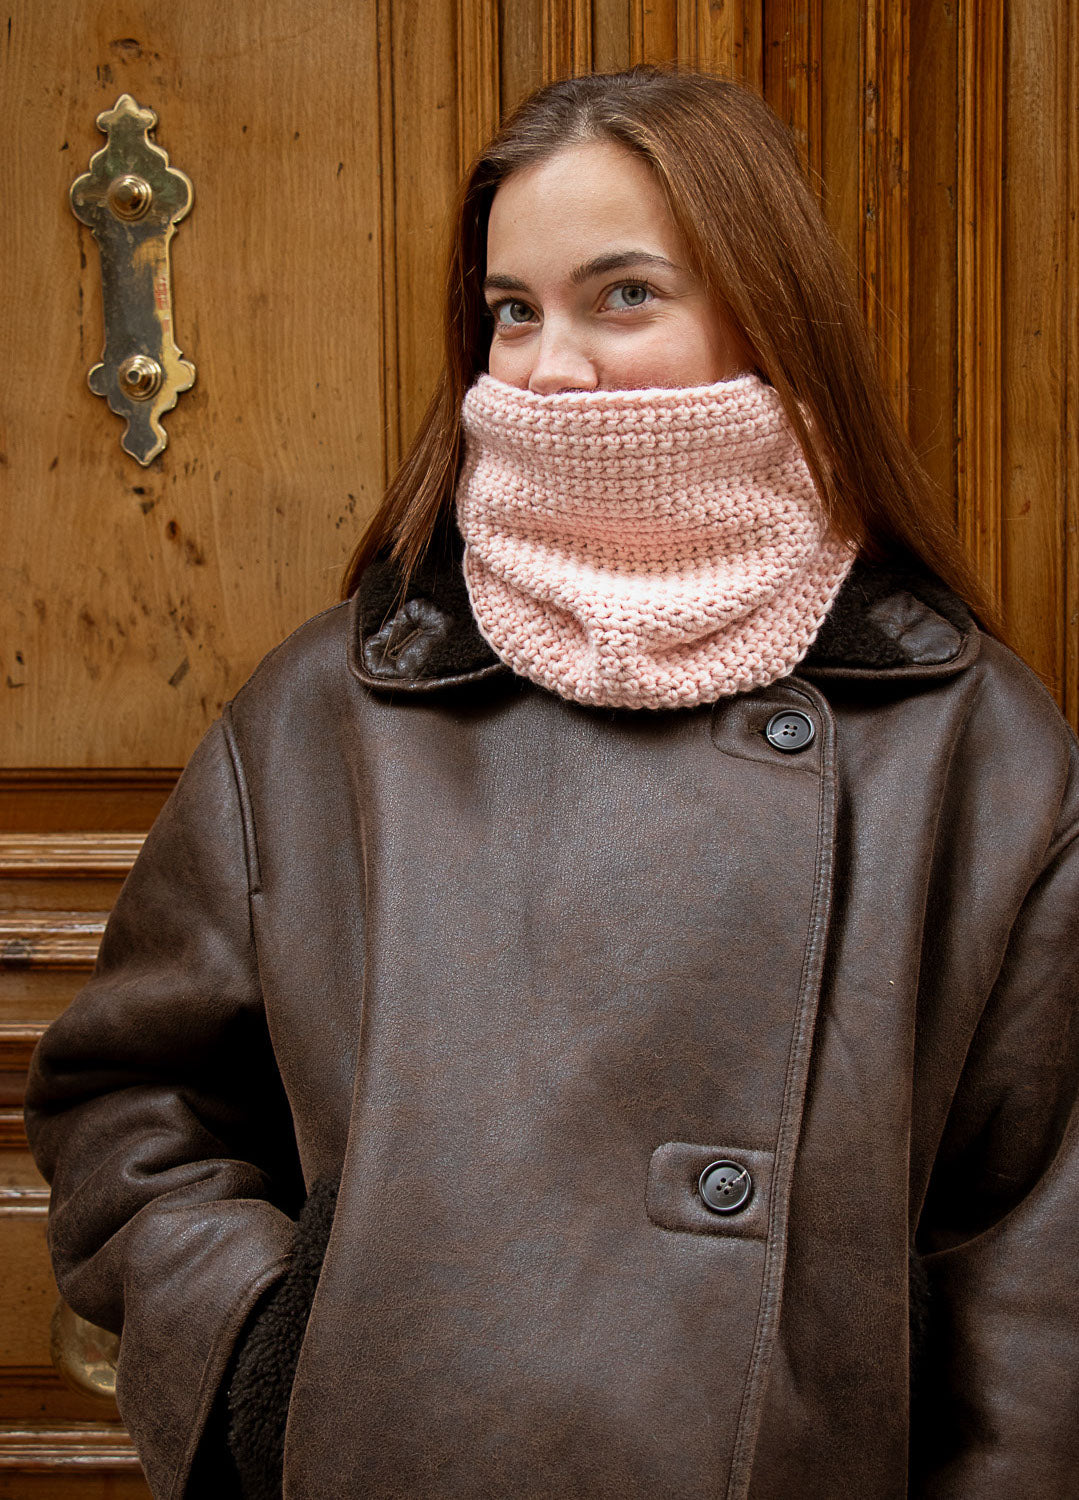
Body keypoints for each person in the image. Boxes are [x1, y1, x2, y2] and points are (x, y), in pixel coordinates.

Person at [25, 66, 1079, 1500]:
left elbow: (1040, 1256)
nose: (548, 369)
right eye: (513, 310)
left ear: (771, 316)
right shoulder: (332, 706)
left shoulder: (971, 741)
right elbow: (130, 1101)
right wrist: (268, 1364)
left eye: (622, 295)